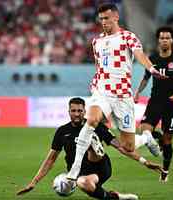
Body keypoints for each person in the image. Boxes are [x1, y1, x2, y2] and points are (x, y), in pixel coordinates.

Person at [67, 3, 167, 181]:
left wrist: (151, 69)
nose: (103, 22)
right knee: (91, 120)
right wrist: (97, 83)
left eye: (106, 18)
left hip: (122, 96)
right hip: (102, 91)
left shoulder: (128, 37)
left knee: (128, 146)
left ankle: (146, 137)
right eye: (101, 19)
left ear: (116, 17)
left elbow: (140, 55)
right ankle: (75, 169)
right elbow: (100, 66)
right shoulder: (96, 41)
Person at [17, 97, 163, 200]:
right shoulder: (62, 131)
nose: (76, 114)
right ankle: (116, 197)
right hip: (79, 173)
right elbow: (51, 159)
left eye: (79, 111)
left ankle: (93, 146)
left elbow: (120, 147)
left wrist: (144, 162)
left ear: (84, 111)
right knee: (83, 183)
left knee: (90, 144)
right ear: (69, 111)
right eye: (73, 111)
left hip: (100, 166)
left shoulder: (95, 124)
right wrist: (34, 182)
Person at [134, 26, 173, 183]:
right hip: (155, 102)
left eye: (167, 38)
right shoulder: (152, 58)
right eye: (161, 38)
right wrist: (137, 92)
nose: (164, 40)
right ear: (158, 40)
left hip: (171, 105)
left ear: (172, 40)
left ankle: (165, 170)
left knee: (167, 141)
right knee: (143, 129)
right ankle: (155, 138)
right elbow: (146, 78)